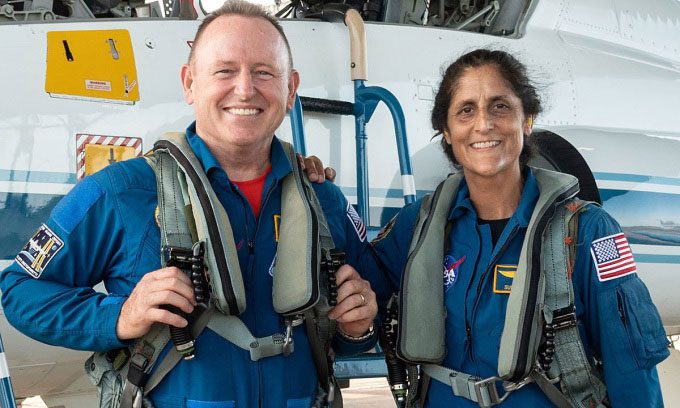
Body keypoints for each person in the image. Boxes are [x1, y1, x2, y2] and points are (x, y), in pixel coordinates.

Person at [0, 1, 378, 406]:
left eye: (264, 72)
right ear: (189, 83)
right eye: (224, 71)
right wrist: (120, 316)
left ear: (290, 90)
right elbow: (21, 291)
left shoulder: (323, 201)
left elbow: (355, 324)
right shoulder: (122, 191)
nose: (245, 89)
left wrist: (358, 329)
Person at [306, 49, 669, 407]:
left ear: (527, 120)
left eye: (500, 106)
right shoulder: (420, 225)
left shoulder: (586, 230)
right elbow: (364, 285)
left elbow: (631, 366)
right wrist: (325, 196)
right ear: (447, 132)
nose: (483, 124)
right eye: (466, 110)